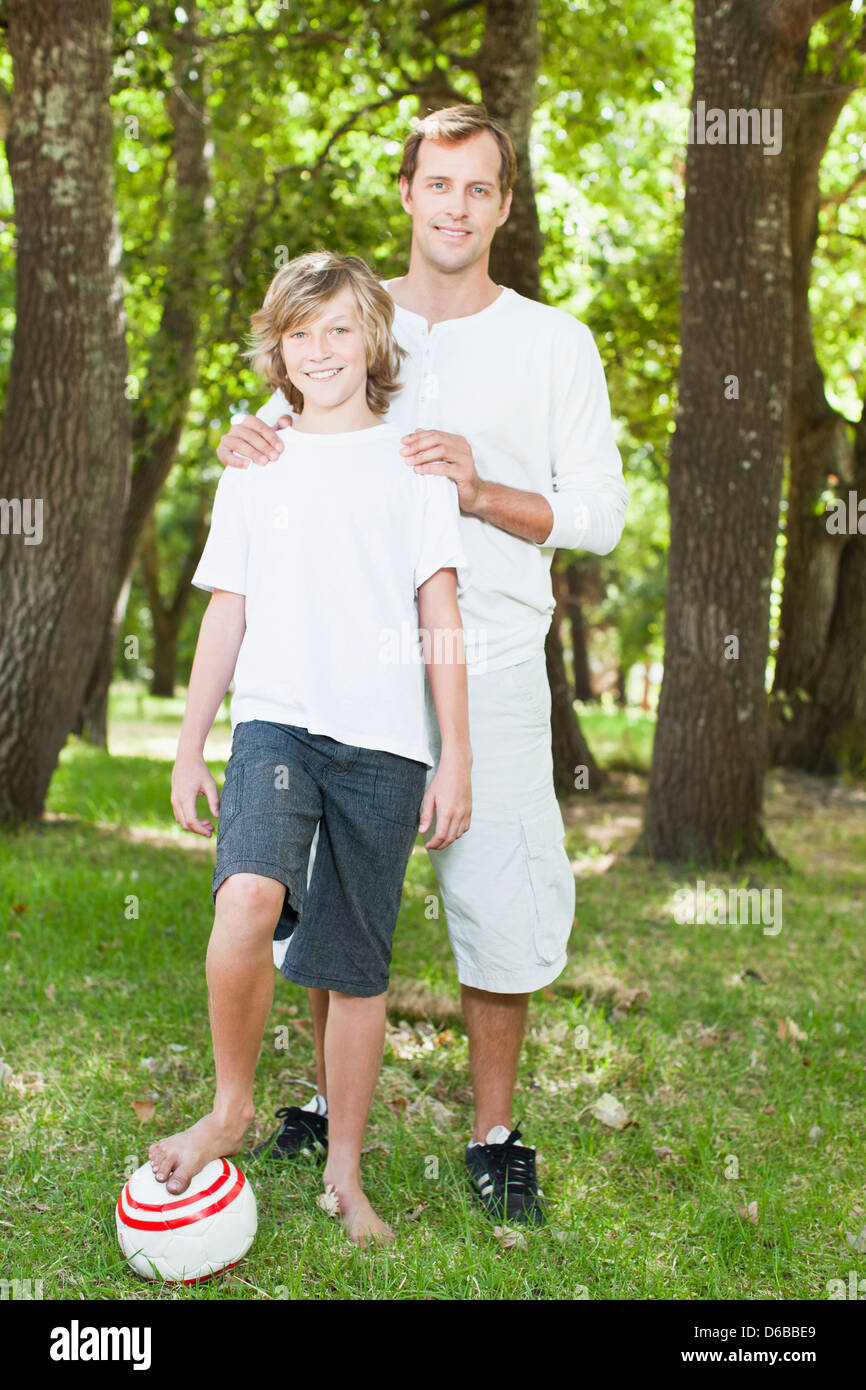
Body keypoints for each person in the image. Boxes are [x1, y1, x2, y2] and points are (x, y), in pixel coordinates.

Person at [217, 104, 629, 1226]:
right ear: (406, 192)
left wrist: (481, 488)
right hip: (347, 657)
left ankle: (493, 1134)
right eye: (436, 184)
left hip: (485, 651)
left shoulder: (553, 343)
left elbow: (600, 511)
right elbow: (280, 427)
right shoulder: (349, 317)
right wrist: (239, 437)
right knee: (331, 886)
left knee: (494, 889)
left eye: (478, 188)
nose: (455, 206)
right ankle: (313, 1102)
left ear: (503, 204)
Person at [148, 251, 472, 1246]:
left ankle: (343, 1169)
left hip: (383, 742)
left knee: (353, 967)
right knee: (248, 894)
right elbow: (227, 606)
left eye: (338, 328)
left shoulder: (413, 464)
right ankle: (232, 1106)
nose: (320, 348)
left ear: (373, 337)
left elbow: (439, 611)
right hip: (276, 720)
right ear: (277, 350)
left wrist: (454, 752)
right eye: (300, 333)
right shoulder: (257, 460)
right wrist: (190, 741)